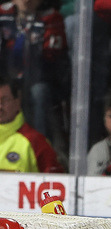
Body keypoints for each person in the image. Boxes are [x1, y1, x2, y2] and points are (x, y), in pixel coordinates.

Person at [0, 0, 71, 143]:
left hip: (38, 79)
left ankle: (37, 145)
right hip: (6, 80)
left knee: (39, 92)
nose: (26, 1)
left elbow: (52, 59)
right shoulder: (2, 14)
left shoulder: (51, 18)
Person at [0, 71, 63, 172]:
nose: (0, 106)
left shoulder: (35, 142)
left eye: (5, 100)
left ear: (17, 103)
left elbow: (56, 184)